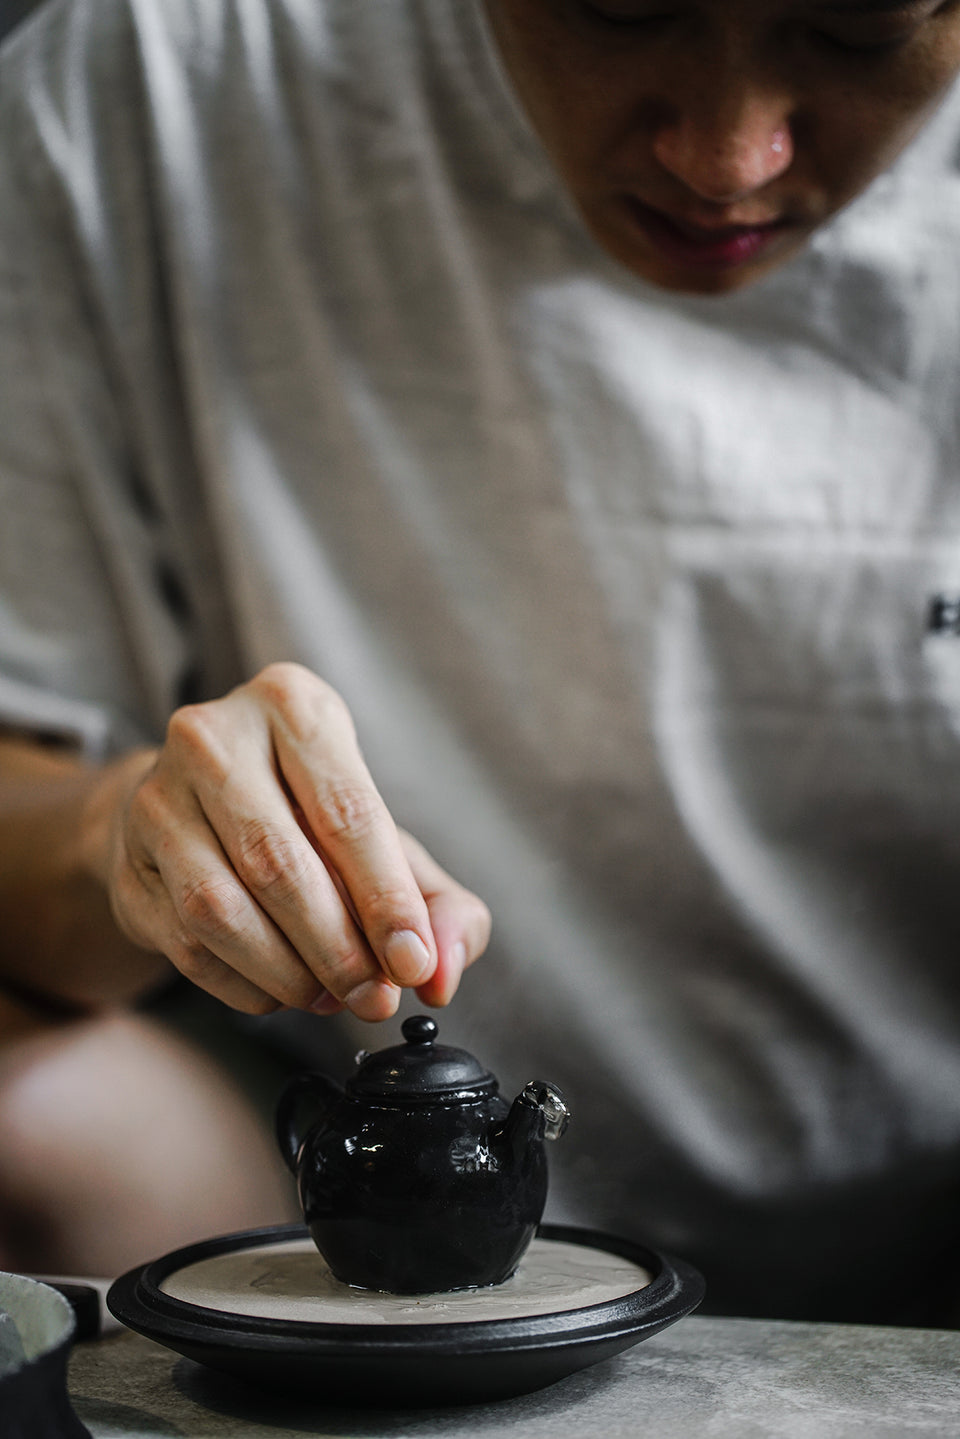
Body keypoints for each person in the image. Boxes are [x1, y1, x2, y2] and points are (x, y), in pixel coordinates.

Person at [1, 0, 960, 1320]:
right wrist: (131, 838)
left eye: (860, 27)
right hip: (241, 1177)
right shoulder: (168, 73)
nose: (725, 154)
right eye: (618, 8)